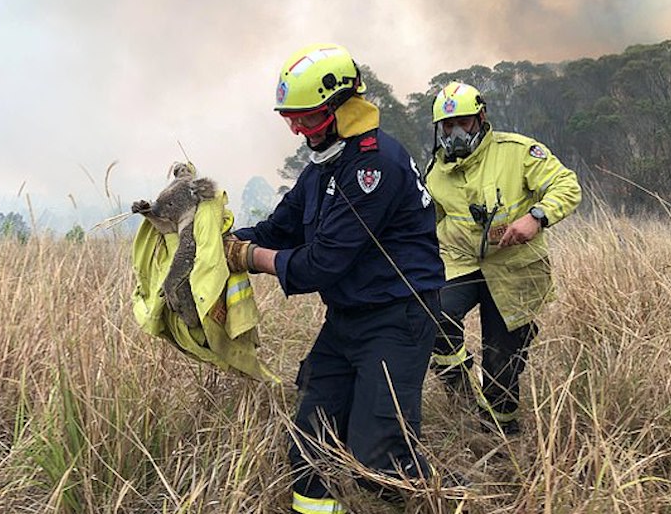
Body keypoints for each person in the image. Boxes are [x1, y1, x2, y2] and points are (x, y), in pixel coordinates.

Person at [224, 43, 446, 513]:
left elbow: (321, 263)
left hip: (398, 318)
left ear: (342, 105)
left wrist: (248, 257)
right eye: (290, 118)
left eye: (307, 118)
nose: (298, 130)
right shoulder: (321, 168)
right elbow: (275, 229)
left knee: (379, 458)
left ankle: (453, 500)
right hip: (347, 319)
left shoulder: (373, 166)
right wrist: (212, 242)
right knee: (311, 442)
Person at [424, 81, 581, 435]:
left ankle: (501, 432)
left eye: (463, 122)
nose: (455, 132)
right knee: (433, 318)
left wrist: (537, 217)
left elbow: (567, 186)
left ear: (480, 117)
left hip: (513, 267)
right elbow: (427, 222)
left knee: (502, 361)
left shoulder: (518, 151)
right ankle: (462, 394)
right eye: (447, 126)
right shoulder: (435, 172)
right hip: (460, 262)